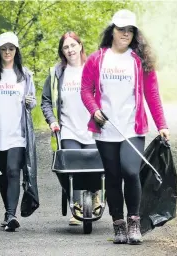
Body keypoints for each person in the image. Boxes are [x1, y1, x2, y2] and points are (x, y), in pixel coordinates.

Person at [81, 9, 170, 245]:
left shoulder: (139, 61)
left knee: (130, 171)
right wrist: (94, 110)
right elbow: (85, 90)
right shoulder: (96, 59)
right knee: (112, 175)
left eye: (130, 30)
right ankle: (118, 224)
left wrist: (162, 124)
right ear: (112, 30)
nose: (126, 34)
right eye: (121, 29)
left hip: (132, 127)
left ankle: (134, 222)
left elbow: (152, 94)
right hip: (106, 129)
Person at [41, 31, 101, 226]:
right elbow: (46, 101)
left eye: (72, 46)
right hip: (67, 129)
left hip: (92, 129)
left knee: (95, 167)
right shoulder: (57, 73)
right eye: (65, 47)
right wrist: (52, 120)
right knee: (70, 167)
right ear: (62, 51)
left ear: (80, 46)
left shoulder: (92, 69)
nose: (70, 50)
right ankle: (76, 205)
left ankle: (94, 196)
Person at [0, 32, 36, 232]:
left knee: (13, 170)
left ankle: (11, 214)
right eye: (4, 49)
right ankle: (8, 211)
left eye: (11, 49)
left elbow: (31, 102)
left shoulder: (25, 74)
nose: (8, 52)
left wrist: (30, 102)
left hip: (17, 132)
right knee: (3, 173)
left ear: (16, 51)